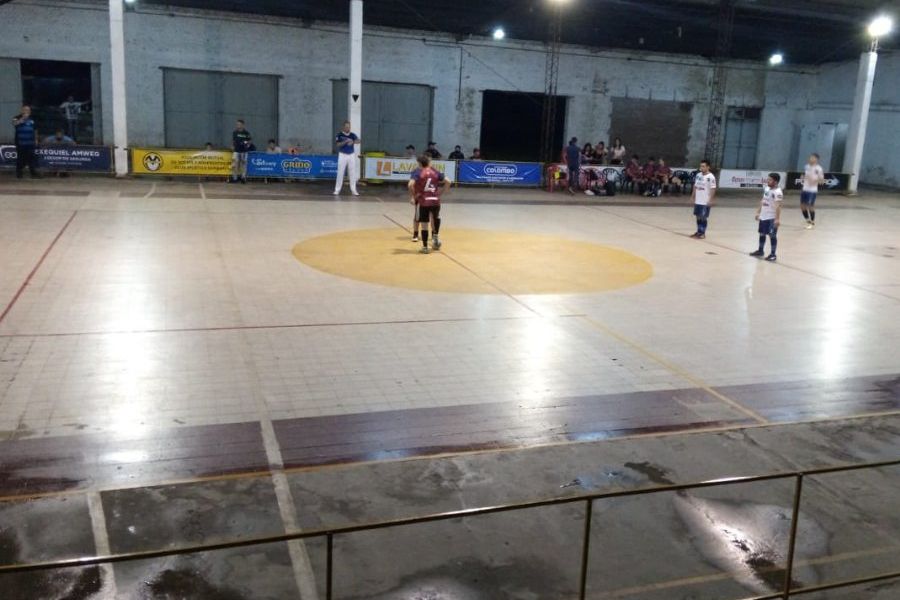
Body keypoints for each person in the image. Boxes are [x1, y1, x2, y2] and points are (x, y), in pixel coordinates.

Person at [408, 155, 451, 253]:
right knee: (435, 218)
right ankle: (435, 237)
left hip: (424, 201)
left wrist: (414, 196)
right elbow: (448, 181)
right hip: (435, 200)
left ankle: (425, 247)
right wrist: (442, 192)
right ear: (429, 162)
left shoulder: (419, 172)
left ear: (419, 163)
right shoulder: (435, 171)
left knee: (424, 224)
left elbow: (410, 184)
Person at [750, 173, 783, 262]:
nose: (767, 181)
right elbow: (763, 200)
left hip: (771, 217)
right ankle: (760, 250)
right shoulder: (767, 188)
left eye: (770, 180)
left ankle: (773, 254)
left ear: (775, 182)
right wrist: (758, 212)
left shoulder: (778, 192)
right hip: (763, 216)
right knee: (762, 233)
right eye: (767, 179)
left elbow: (778, 206)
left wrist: (777, 219)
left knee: (772, 236)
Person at [690, 159, 716, 239]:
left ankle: (702, 233)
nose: (701, 168)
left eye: (703, 166)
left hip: (705, 201)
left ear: (708, 167)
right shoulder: (698, 175)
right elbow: (695, 186)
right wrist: (692, 196)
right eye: (701, 166)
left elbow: (713, 189)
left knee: (703, 217)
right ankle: (698, 231)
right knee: (698, 216)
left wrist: (710, 200)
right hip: (698, 200)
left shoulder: (711, 177)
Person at [333, 120, 360, 196]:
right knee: (340, 172)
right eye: (346, 127)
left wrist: (353, 142)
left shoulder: (352, 135)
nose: (348, 128)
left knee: (352, 173)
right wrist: (345, 142)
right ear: (343, 127)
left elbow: (359, 141)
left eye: (349, 127)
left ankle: (353, 190)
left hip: (351, 155)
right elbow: (338, 145)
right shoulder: (339, 135)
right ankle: (337, 190)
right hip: (342, 155)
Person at [12, 105, 39, 179]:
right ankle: (19, 174)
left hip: (30, 143)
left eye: (28, 110)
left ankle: (33, 174)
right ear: (22, 111)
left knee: (31, 159)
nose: (27, 111)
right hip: (20, 143)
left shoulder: (32, 119)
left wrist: (36, 139)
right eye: (25, 110)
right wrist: (23, 118)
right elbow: (14, 124)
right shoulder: (16, 117)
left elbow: (35, 130)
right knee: (20, 159)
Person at [800, 153, 824, 229]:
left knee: (810, 206)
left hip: (812, 190)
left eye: (813, 158)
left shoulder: (819, 168)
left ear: (816, 159)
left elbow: (821, 180)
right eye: (810, 157)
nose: (811, 159)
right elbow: (804, 175)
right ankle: (807, 220)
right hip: (805, 189)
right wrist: (803, 177)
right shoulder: (806, 166)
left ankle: (812, 222)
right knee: (802, 206)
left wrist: (815, 180)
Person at [230, 119, 252, 183]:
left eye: (239, 124)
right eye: (237, 124)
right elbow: (233, 141)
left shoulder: (246, 133)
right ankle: (235, 178)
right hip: (236, 151)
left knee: (244, 164)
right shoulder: (235, 132)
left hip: (244, 151)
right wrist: (232, 146)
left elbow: (250, 141)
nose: (238, 125)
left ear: (242, 125)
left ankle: (243, 177)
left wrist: (246, 143)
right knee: (234, 165)